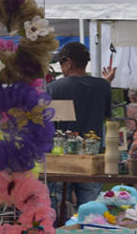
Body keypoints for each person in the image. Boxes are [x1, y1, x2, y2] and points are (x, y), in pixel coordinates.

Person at [47, 41, 116, 207]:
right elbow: (105, 116)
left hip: (62, 159)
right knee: (91, 212)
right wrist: (104, 83)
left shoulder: (54, 88)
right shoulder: (102, 86)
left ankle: (61, 233)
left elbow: (48, 124)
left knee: (59, 211)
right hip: (91, 159)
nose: (61, 68)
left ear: (69, 62)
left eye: (61, 63)